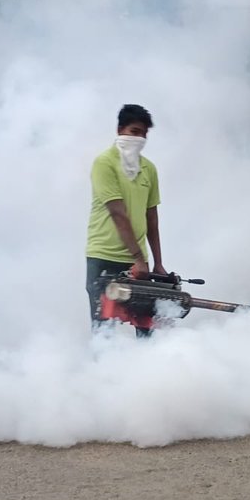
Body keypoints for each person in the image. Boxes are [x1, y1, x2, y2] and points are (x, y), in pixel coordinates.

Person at [86, 104, 166, 337]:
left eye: (143, 134)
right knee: (104, 330)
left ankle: (146, 371)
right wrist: (138, 259)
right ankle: (103, 372)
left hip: (138, 263)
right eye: (134, 131)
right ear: (120, 129)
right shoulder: (104, 163)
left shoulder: (148, 169)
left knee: (145, 325)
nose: (139, 138)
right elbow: (118, 213)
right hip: (103, 258)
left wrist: (157, 263)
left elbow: (151, 217)